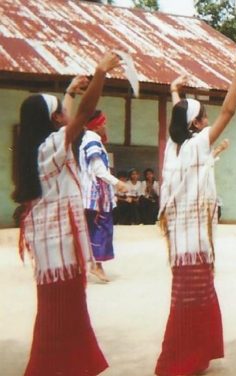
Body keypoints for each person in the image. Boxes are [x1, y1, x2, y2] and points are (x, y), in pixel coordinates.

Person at [13, 52, 120, 376]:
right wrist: (99, 73)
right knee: (62, 318)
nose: (66, 114)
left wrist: (70, 93)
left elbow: (72, 117)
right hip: (62, 253)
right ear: (54, 120)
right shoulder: (52, 148)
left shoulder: (33, 150)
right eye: (60, 111)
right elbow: (84, 115)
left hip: (51, 255)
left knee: (58, 316)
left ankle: (70, 367)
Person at [155, 44, 236, 376]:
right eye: (202, 117)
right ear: (195, 125)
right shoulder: (196, 144)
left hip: (184, 241)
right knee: (193, 301)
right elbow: (229, 111)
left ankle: (195, 356)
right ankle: (180, 362)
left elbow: (179, 116)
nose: (208, 120)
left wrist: (175, 92)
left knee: (193, 299)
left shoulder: (175, 147)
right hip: (194, 241)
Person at [78, 109, 126, 282]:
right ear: (97, 125)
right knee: (101, 226)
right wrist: (117, 182)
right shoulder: (92, 142)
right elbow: (99, 170)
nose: (105, 125)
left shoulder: (89, 140)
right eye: (103, 123)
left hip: (94, 193)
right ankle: (96, 265)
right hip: (97, 194)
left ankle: (90, 263)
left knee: (93, 227)